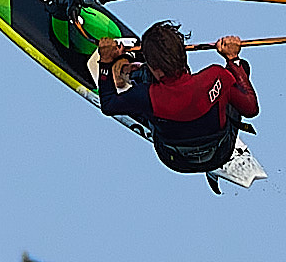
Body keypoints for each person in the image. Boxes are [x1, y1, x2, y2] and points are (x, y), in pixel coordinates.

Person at [95, 22, 258, 181]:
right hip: (220, 152)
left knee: (145, 79)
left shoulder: (145, 95)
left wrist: (106, 62)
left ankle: (125, 72)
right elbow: (251, 109)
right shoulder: (215, 76)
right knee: (239, 70)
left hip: (176, 160)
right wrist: (232, 58)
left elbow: (108, 105)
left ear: (158, 70)